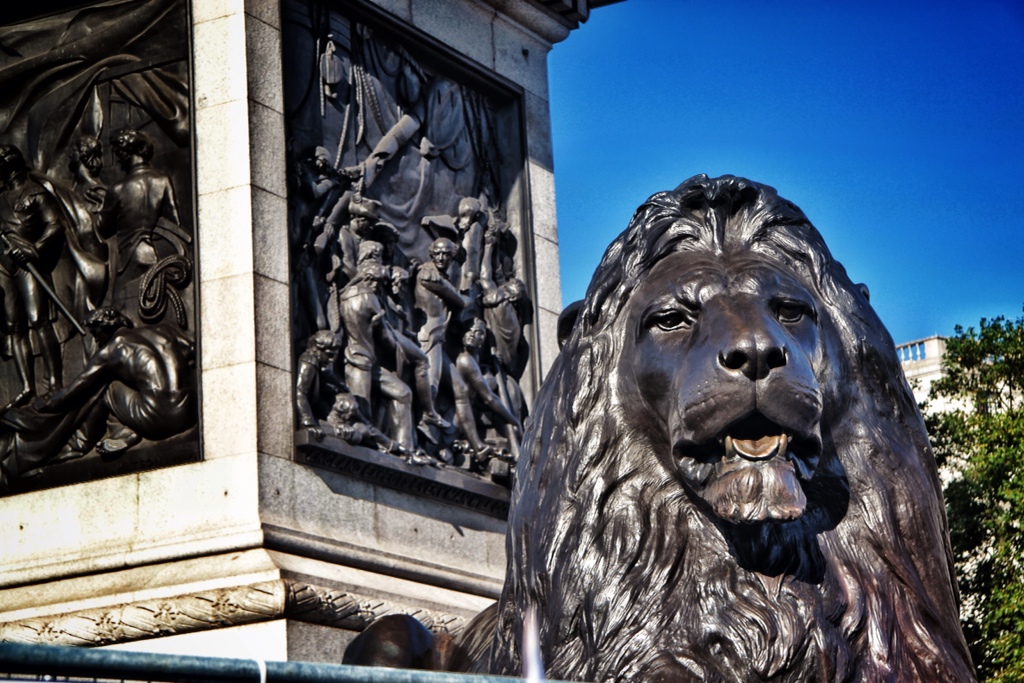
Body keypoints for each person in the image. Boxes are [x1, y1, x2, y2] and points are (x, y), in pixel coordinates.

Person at [0, 144, 69, 405]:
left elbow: (54, 225)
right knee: (15, 327)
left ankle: (54, 383)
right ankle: (27, 387)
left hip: (28, 264)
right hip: (4, 267)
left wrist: (35, 249)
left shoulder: (35, 192)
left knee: (39, 320)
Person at [95, 128, 188, 321]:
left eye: (118, 153)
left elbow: (102, 229)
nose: (118, 160)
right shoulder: (162, 180)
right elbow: (174, 222)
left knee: (121, 316)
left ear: (126, 153)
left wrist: (100, 207)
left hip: (130, 260)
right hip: (155, 255)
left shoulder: (118, 188)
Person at [295, 330, 344, 439]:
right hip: (306, 419)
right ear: (316, 349)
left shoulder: (317, 365)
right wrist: (308, 423)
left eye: (334, 356)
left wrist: (334, 421)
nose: (331, 360)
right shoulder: (309, 360)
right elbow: (300, 393)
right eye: (329, 355)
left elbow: (318, 400)